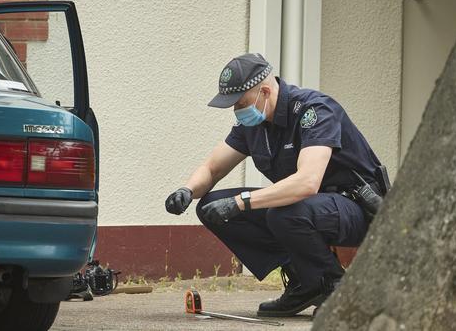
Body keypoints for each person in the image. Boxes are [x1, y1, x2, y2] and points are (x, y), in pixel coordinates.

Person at [165, 53, 388, 317]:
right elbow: (213, 168)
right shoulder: (254, 124)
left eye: (240, 103)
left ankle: (338, 288)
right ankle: (304, 282)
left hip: (357, 210)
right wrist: (187, 190)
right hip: (306, 210)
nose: (237, 111)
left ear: (265, 92)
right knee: (212, 207)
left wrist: (241, 202)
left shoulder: (313, 110)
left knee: (285, 213)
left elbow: (307, 182)